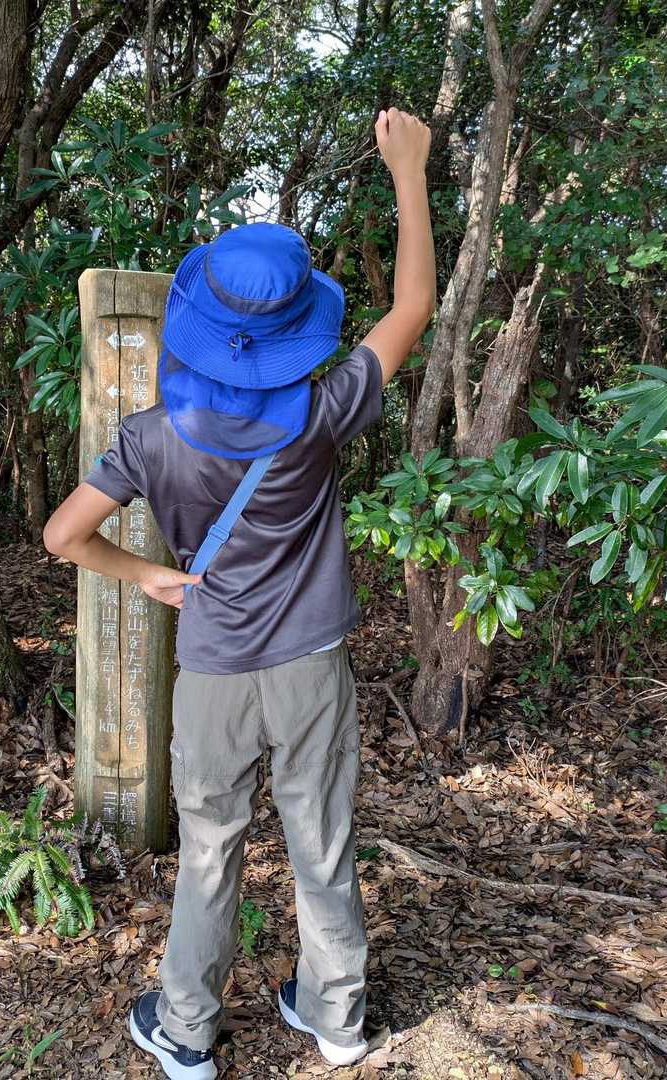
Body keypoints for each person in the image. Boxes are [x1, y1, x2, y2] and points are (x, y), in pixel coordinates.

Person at [43, 108, 435, 1080]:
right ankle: (336, 1019)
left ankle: (186, 1032)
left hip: (214, 666)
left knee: (211, 849)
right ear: (298, 330)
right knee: (322, 841)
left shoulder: (150, 437)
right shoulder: (324, 410)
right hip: (310, 664)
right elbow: (413, 306)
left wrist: (148, 574)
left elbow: (62, 536)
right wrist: (409, 170)